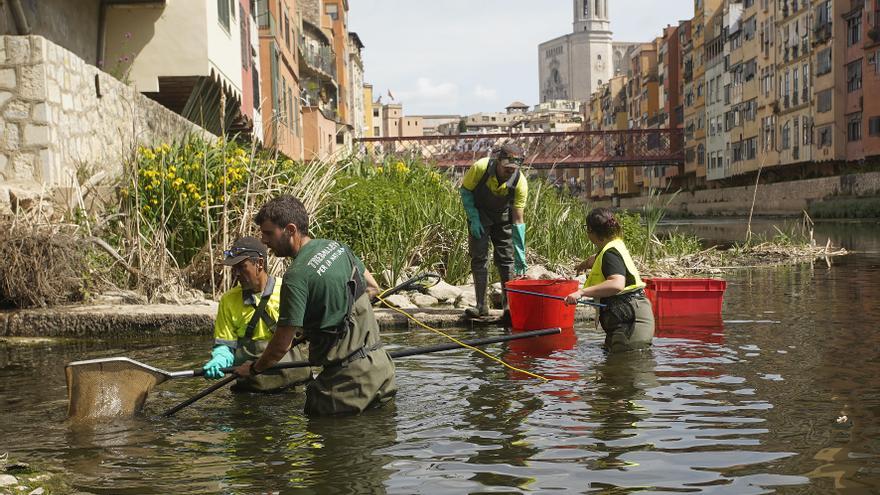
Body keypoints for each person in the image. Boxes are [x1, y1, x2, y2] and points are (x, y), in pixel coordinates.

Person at [234, 195, 397, 415]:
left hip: (345, 389)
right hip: (382, 372)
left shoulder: (296, 276)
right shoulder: (337, 247)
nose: (263, 241)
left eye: (268, 233)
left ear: (290, 229)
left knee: (324, 440)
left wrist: (253, 368)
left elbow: (281, 345)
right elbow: (372, 287)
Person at [202, 237, 313, 392]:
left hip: (295, 387)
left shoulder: (288, 289)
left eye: (241, 267)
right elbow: (225, 345)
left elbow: (312, 332)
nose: (236, 274)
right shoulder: (228, 301)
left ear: (259, 264)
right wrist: (220, 359)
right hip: (253, 389)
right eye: (234, 269)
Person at [565, 207, 654, 352]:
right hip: (628, 317)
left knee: (626, 368)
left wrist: (581, 292)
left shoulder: (610, 253)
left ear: (591, 231)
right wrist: (585, 264)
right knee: (614, 367)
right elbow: (598, 258)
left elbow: (617, 283)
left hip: (631, 321)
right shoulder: (614, 245)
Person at [459, 142, 529, 320]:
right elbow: (466, 191)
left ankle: (508, 307)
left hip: (503, 218)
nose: (510, 172)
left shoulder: (520, 182)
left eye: (513, 169)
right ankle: (481, 306)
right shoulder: (481, 167)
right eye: (507, 168)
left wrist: (521, 254)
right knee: (479, 257)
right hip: (479, 215)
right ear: (498, 161)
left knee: (507, 259)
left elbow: (518, 219)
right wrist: (473, 217)